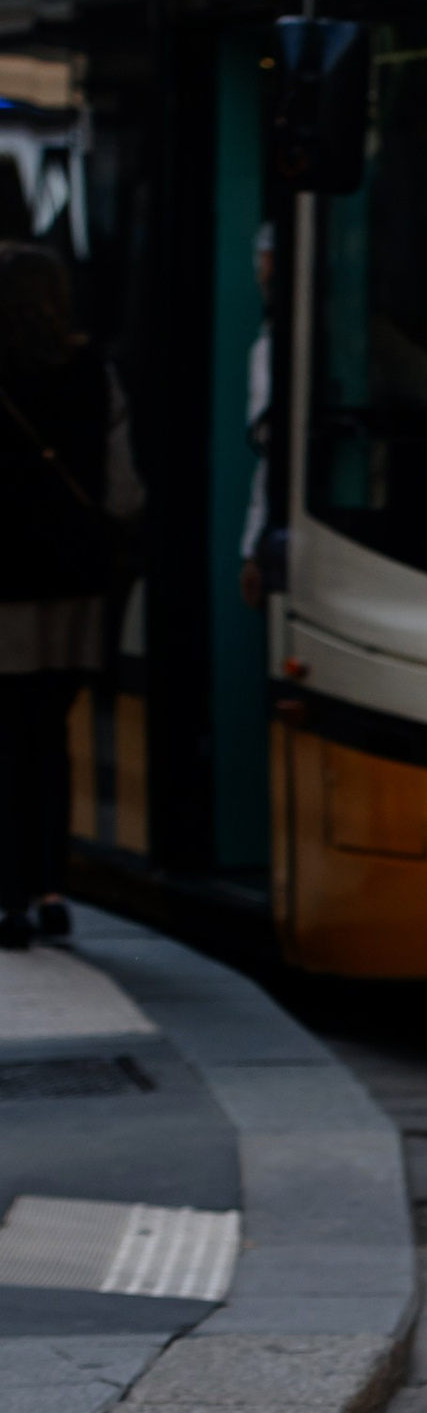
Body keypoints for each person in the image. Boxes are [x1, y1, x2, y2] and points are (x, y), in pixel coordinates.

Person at [0, 228, 116, 951]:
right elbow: (126, 485)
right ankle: (52, 891)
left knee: (3, 742)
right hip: (73, 586)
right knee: (50, 737)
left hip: (2, 590)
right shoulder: (92, 371)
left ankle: (7, 899)